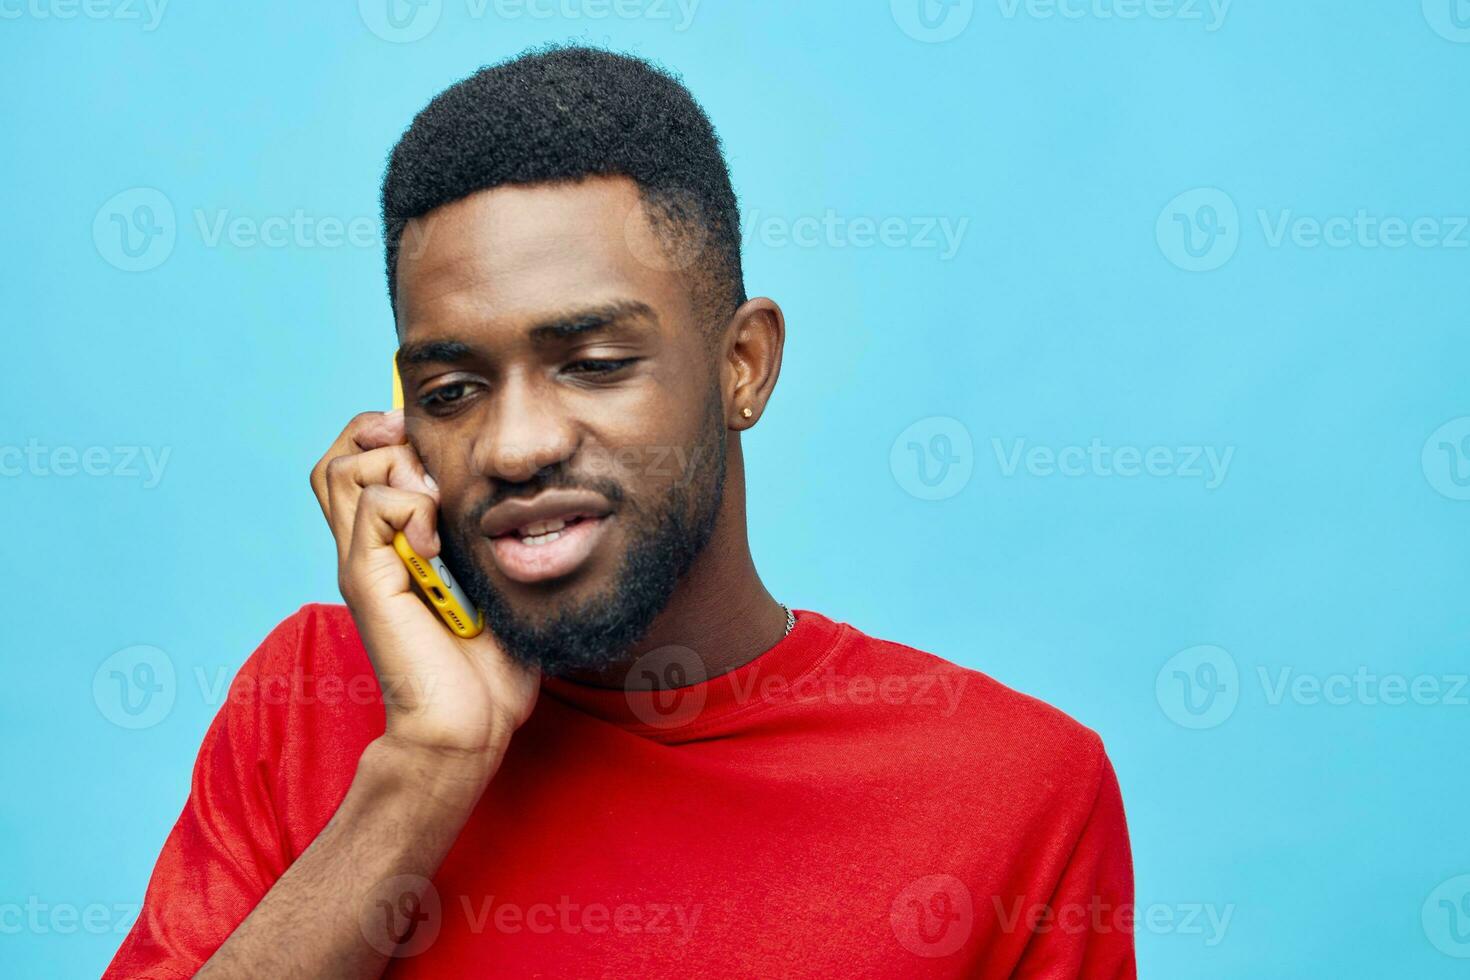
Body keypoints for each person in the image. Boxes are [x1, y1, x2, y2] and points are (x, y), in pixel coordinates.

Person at [105, 45, 1135, 979]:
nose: (515, 446)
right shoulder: (310, 700)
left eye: (593, 365)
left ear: (743, 365)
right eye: (453, 388)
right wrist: (426, 764)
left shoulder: (1016, 788)